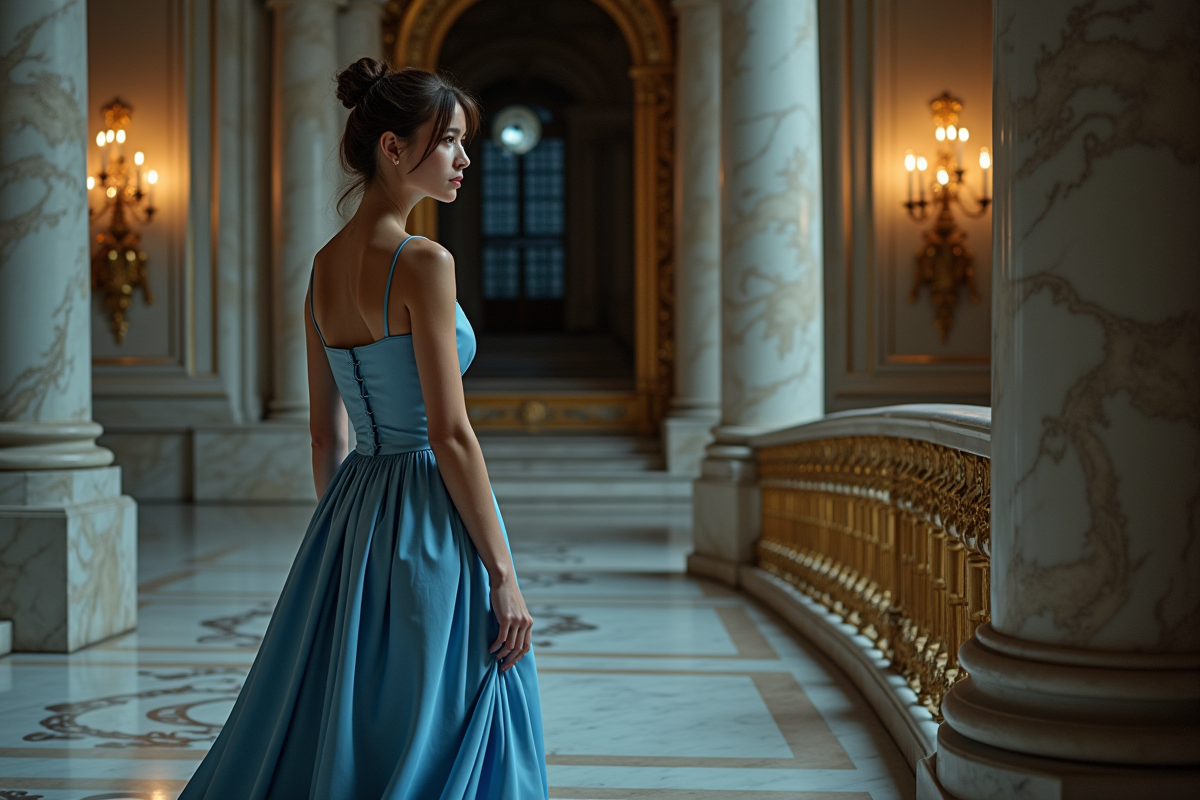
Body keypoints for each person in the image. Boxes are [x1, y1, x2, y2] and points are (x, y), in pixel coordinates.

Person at [178, 58, 549, 799]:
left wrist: (345, 540)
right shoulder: (424, 262)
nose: (463, 159)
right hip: (430, 509)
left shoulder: (322, 266)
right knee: (456, 700)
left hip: (351, 512)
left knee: (348, 706)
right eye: (448, 141)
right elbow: (449, 434)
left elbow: (325, 434)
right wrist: (504, 576)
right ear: (392, 146)